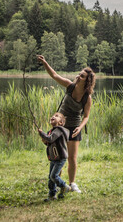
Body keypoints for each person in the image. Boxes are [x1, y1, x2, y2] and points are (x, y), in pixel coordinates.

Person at [37, 55, 94, 194]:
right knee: (59, 156)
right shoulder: (69, 86)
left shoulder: (87, 97)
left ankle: (72, 183)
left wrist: (79, 128)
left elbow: (86, 116)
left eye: (82, 76)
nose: (78, 76)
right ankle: (58, 182)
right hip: (60, 127)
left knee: (72, 158)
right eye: (79, 74)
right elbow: (54, 75)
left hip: (75, 127)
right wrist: (45, 62)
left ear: (87, 81)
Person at [38, 112, 71, 201]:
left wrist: (42, 134)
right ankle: (52, 195)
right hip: (54, 157)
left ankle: (64, 186)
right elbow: (49, 142)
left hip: (60, 157)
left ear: (60, 122)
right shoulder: (51, 131)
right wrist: (44, 140)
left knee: (54, 176)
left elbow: (50, 138)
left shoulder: (59, 130)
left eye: (57, 116)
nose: (53, 116)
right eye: (53, 115)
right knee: (51, 177)